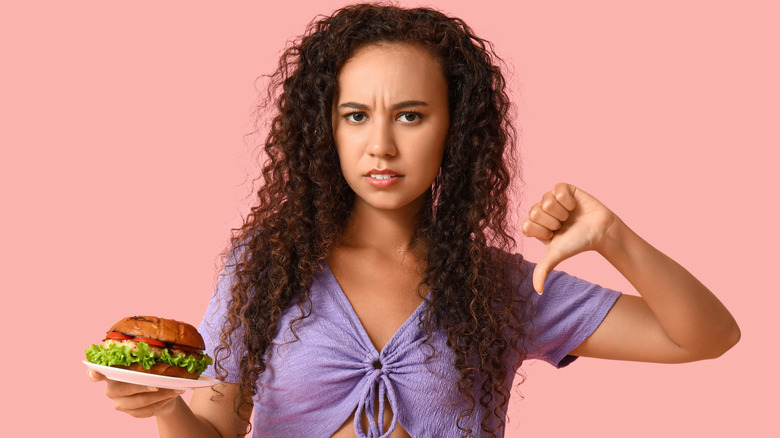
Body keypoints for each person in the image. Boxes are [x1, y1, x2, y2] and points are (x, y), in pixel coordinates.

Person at [87, 4, 740, 438]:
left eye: (410, 115)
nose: (381, 145)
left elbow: (705, 336)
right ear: (326, 131)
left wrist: (612, 237)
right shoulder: (265, 270)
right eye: (356, 116)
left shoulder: (500, 289)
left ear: (454, 131)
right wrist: (164, 405)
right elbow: (217, 431)